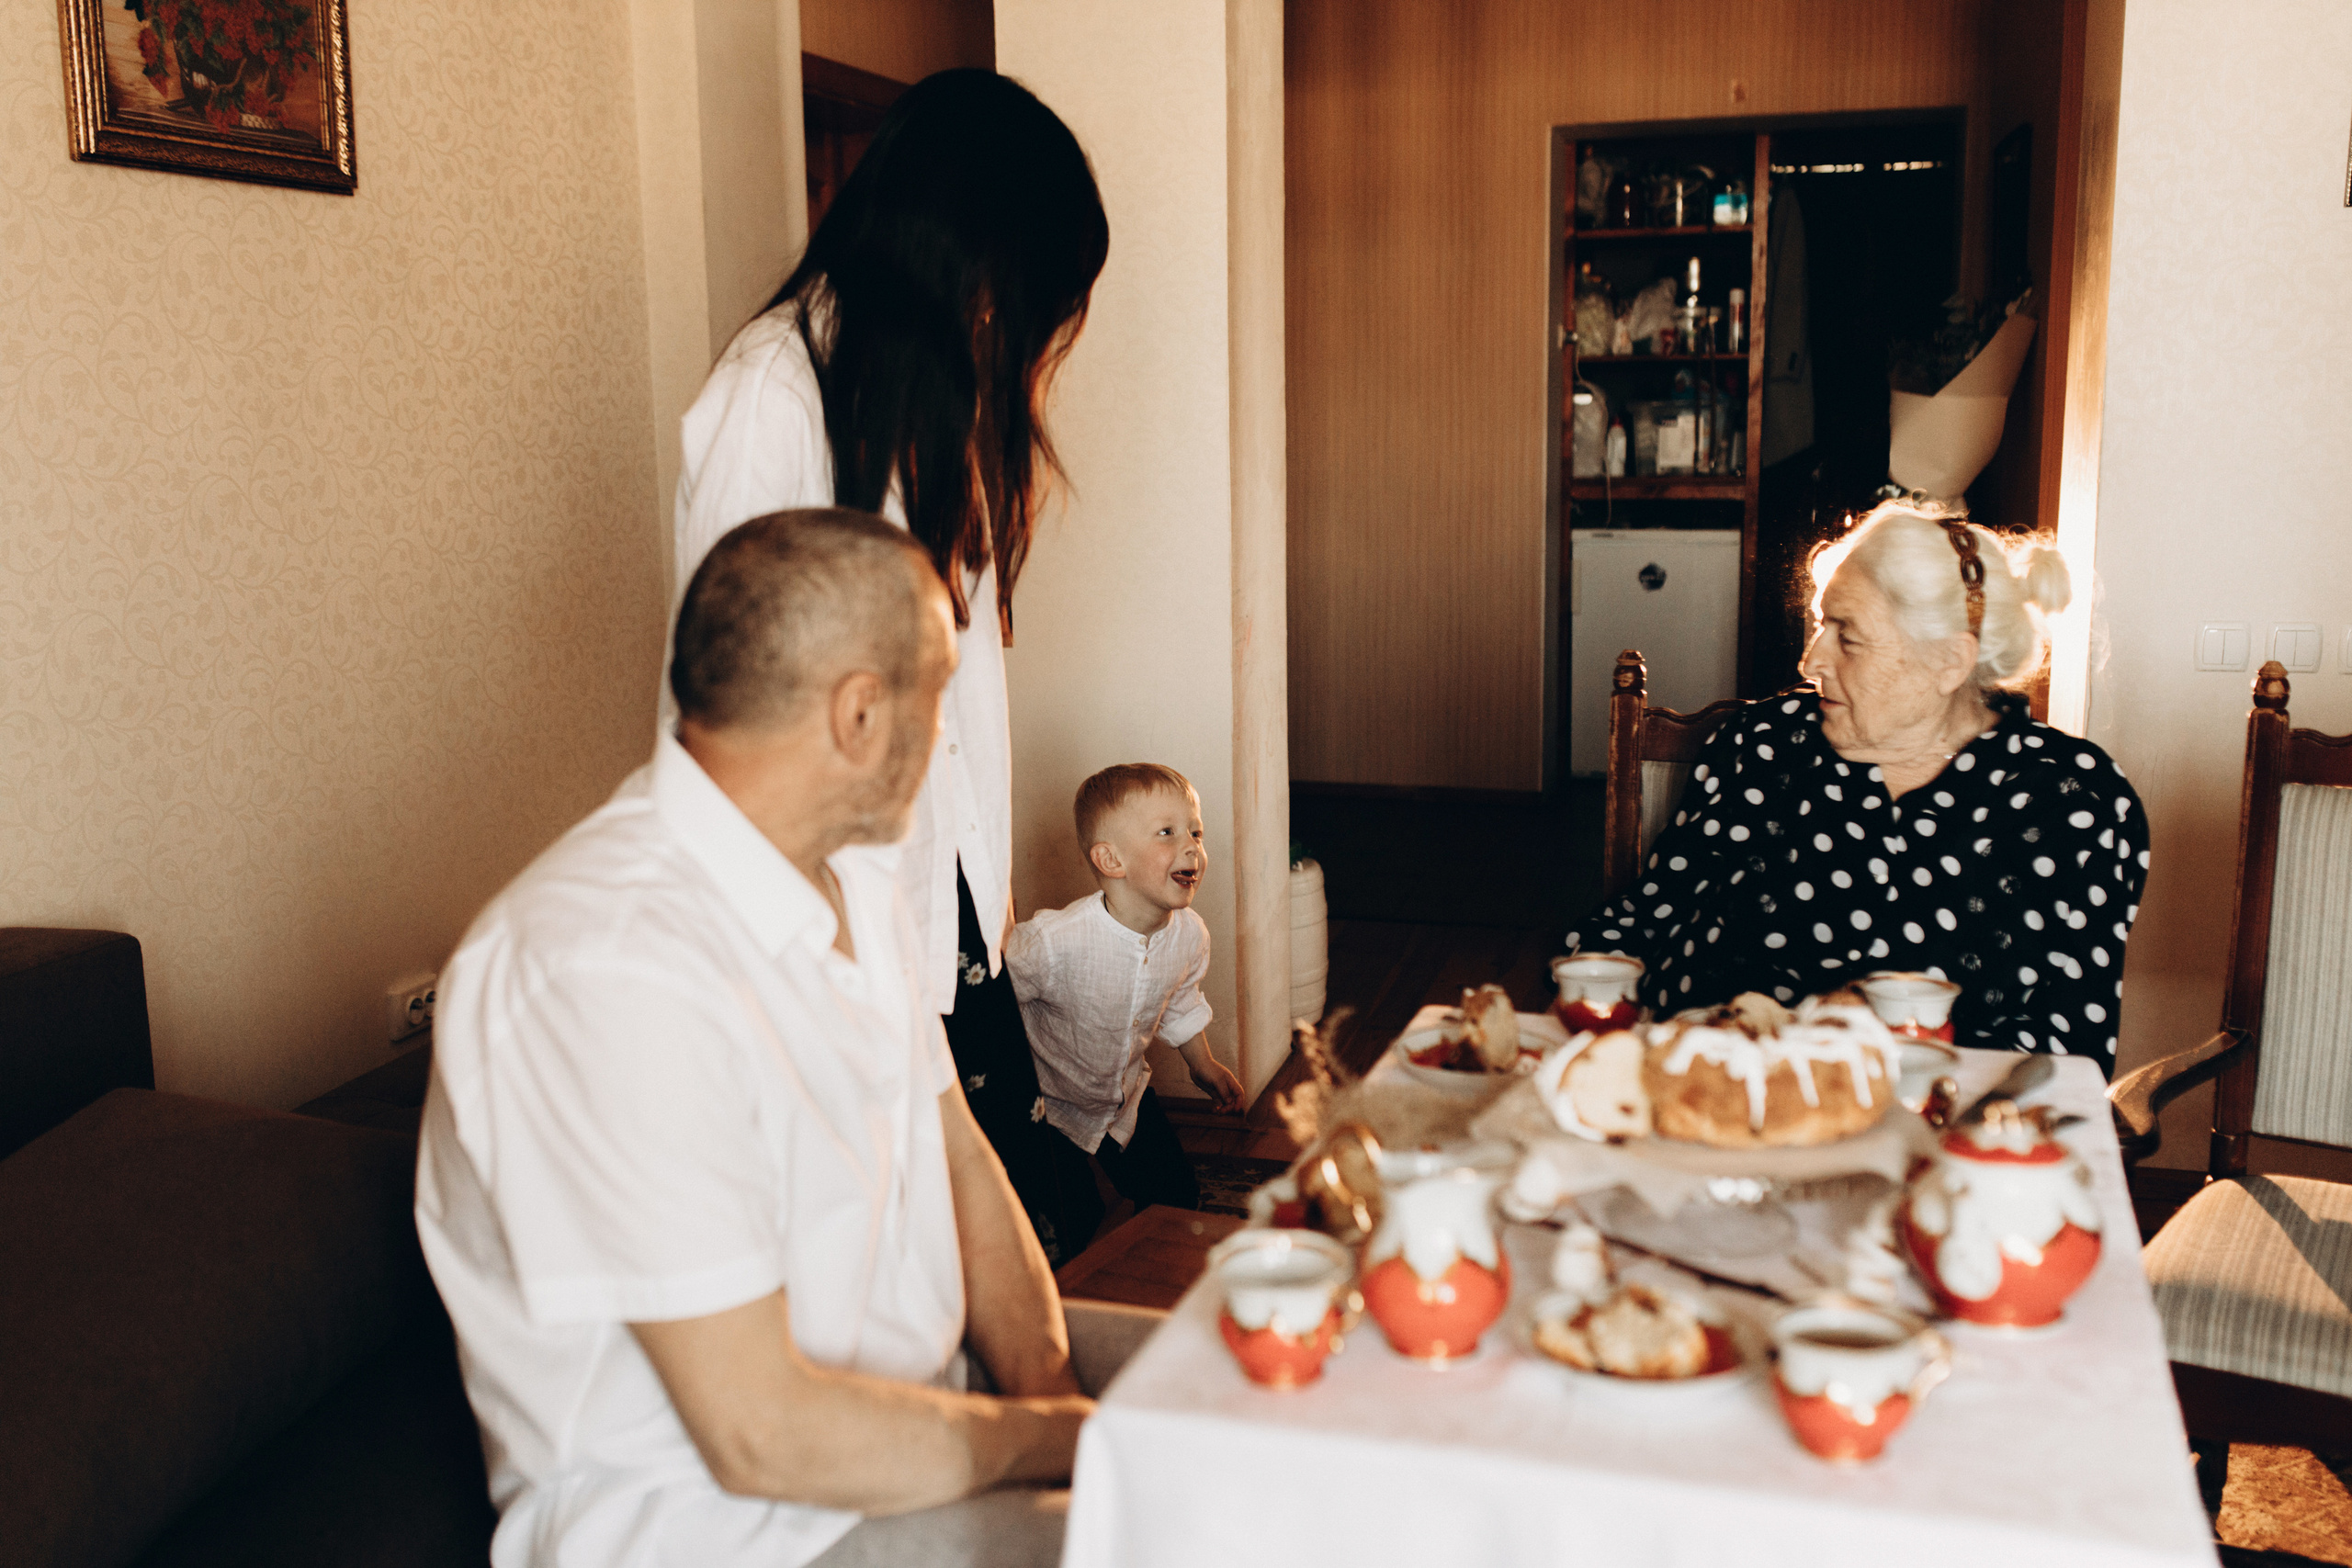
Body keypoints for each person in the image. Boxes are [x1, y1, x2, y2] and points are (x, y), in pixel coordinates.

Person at [417, 511, 1151, 1568]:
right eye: (937, 695)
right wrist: (1059, 1445)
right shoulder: (603, 967)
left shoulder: (854, 870)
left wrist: (1046, 1397)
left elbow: (958, 1160)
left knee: (1274, 1404)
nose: (945, 738)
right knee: (1196, 1529)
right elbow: (762, 1434)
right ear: (858, 715)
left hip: (928, 1405)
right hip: (743, 1529)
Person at [670, 68, 1110, 1265]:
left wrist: (983, 893)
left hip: (942, 891)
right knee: (905, 1236)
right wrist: (833, 952)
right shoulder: (773, 394)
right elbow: (733, 709)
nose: (1023, 331)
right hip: (828, 920)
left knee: (1001, 1221)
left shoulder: (928, 397)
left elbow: (960, 687)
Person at [1567, 497, 2147, 1072]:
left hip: (1944, 1137)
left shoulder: (2069, 800)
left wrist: (1873, 1049)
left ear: (1949, 661)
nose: (1811, 661)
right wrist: (1582, 992)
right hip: (1711, 1098)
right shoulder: (1763, 746)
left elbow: (2070, 1051)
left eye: (1848, 636)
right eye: (1823, 623)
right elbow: (1645, 921)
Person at [1007, 765, 1245, 1235]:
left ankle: (1156, 1273)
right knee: (1071, 1219)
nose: (1192, 846)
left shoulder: (1189, 935)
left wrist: (1204, 1065)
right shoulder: (1054, 942)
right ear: (1111, 860)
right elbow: (999, 994)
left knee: (1175, 1195)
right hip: (1053, 1105)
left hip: (1125, 1101)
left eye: (1196, 832)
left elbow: (1179, 998)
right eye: (1167, 832)